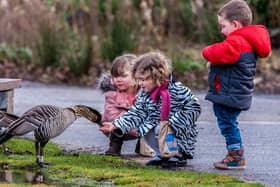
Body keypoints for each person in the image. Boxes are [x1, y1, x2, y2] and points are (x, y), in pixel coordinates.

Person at [202, 0, 271, 170]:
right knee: (228, 122)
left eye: (223, 26)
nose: (221, 30)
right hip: (236, 92)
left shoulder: (237, 41)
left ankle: (236, 156)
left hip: (230, 94)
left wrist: (206, 52)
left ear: (235, 24)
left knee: (227, 123)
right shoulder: (245, 41)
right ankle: (235, 154)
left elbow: (217, 52)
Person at [100, 51, 201, 167]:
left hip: (180, 132)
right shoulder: (145, 94)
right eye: (138, 79)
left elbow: (194, 107)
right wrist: (116, 124)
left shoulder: (177, 90)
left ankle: (176, 155)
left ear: (157, 76)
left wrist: (173, 123)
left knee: (160, 128)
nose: (140, 83)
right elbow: (136, 112)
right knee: (146, 127)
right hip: (160, 127)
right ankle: (161, 154)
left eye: (143, 79)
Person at [99, 53, 154, 156]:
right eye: (115, 76)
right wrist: (128, 120)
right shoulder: (112, 94)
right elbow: (112, 115)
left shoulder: (145, 92)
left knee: (153, 121)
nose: (118, 79)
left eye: (123, 76)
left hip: (137, 125)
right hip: (115, 125)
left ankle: (144, 146)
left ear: (137, 76)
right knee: (117, 124)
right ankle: (114, 147)